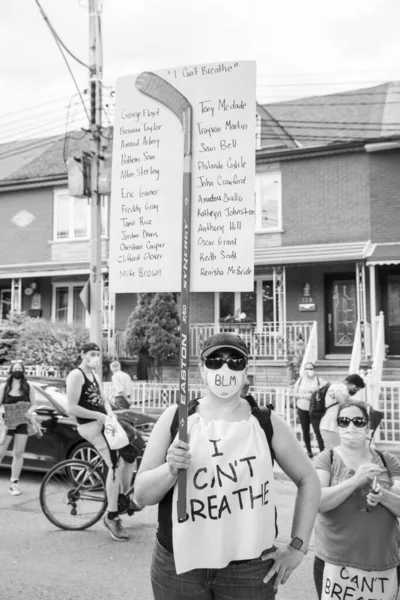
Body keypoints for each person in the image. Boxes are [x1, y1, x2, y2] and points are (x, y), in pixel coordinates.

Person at [134, 332, 321, 600]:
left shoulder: (267, 423)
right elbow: (141, 495)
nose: (225, 368)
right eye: (215, 360)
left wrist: (298, 547)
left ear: (246, 370)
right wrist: (170, 469)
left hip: (249, 571)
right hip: (178, 567)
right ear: (201, 368)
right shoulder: (177, 418)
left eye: (235, 361)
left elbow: (308, 479)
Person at [313, 401, 400, 600]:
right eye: (344, 421)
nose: (351, 427)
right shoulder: (327, 459)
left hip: (382, 562)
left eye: (358, 421)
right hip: (335, 562)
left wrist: (384, 496)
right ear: (337, 426)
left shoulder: (388, 460)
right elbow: (317, 501)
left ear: (367, 426)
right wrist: (356, 480)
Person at [66, 343, 135, 542]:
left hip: (104, 422)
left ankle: (122, 499)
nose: (95, 357)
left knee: (130, 454)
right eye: (92, 354)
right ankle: (112, 516)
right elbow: (71, 408)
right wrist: (99, 416)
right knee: (116, 464)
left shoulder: (95, 376)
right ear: (82, 355)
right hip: (90, 426)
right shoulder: (76, 375)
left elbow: (103, 399)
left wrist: (109, 411)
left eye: (97, 354)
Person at [0, 360, 37, 495]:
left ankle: (14, 483)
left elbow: (34, 404)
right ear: (10, 371)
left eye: (19, 368)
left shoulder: (28, 387)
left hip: (22, 423)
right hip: (8, 423)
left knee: (19, 453)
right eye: (15, 368)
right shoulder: (5, 387)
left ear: (23, 371)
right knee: (1, 452)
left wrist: (30, 412)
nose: (17, 371)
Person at [319, 373, 365, 450]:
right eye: (356, 390)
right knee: (336, 454)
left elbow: (346, 400)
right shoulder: (340, 387)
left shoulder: (336, 387)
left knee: (336, 453)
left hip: (329, 426)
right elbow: (343, 403)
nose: (355, 392)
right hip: (331, 427)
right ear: (354, 386)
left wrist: (360, 403)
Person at [291, 362, 327, 457]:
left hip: (314, 409)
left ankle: (322, 452)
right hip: (302, 408)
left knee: (317, 431)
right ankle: (309, 451)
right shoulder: (300, 381)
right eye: (307, 368)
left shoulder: (318, 380)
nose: (309, 370)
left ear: (314, 370)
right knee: (305, 430)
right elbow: (294, 393)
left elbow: (323, 391)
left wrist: (312, 395)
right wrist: (306, 396)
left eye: (311, 368)